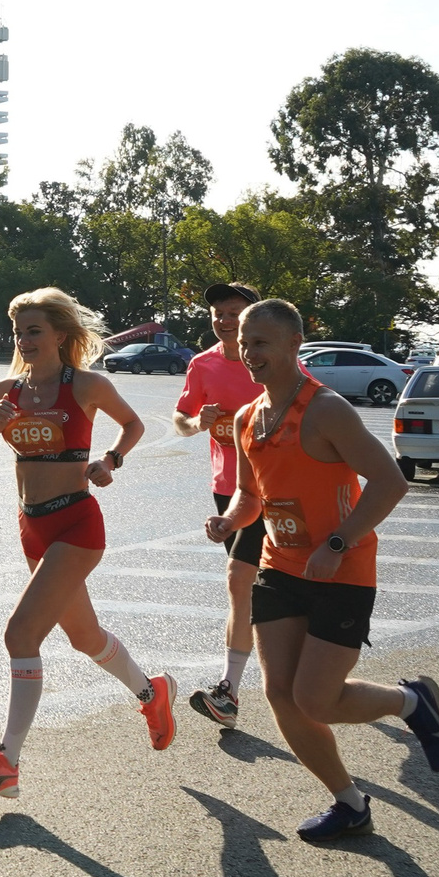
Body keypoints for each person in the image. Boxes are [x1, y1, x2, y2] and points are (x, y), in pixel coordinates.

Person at [214, 297, 439, 841]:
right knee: (281, 695)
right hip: (279, 567)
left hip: (340, 569)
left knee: (317, 697)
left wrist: (338, 541)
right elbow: (250, 497)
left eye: (261, 343)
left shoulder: (326, 410)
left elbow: (391, 481)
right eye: (244, 343)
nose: (249, 353)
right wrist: (229, 521)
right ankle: (350, 803)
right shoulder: (246, 418)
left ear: (294, 345)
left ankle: (412, 700)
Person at [0, 288, 170, 797]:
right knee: (85, 637)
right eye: (18, 333)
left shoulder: (87, 385)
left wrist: (110, 461)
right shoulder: (6, 390)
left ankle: (6, 762)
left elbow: (133, 424)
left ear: (60, 336)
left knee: (21, 634)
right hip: (32, 528)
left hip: (76, 525)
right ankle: (151, 692)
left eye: (34, 331)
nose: (25, 341)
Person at [171, 282, 263, 728]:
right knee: (245, 585)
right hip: (228, 489)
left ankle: (229, 690)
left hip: (276, 491)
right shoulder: (201, 364)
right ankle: (233, 692)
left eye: (233, 312)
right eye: (218, 313)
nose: (224, 320)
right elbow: (180, 419)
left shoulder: (270, 362)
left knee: (243, 581)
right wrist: (196, 421)